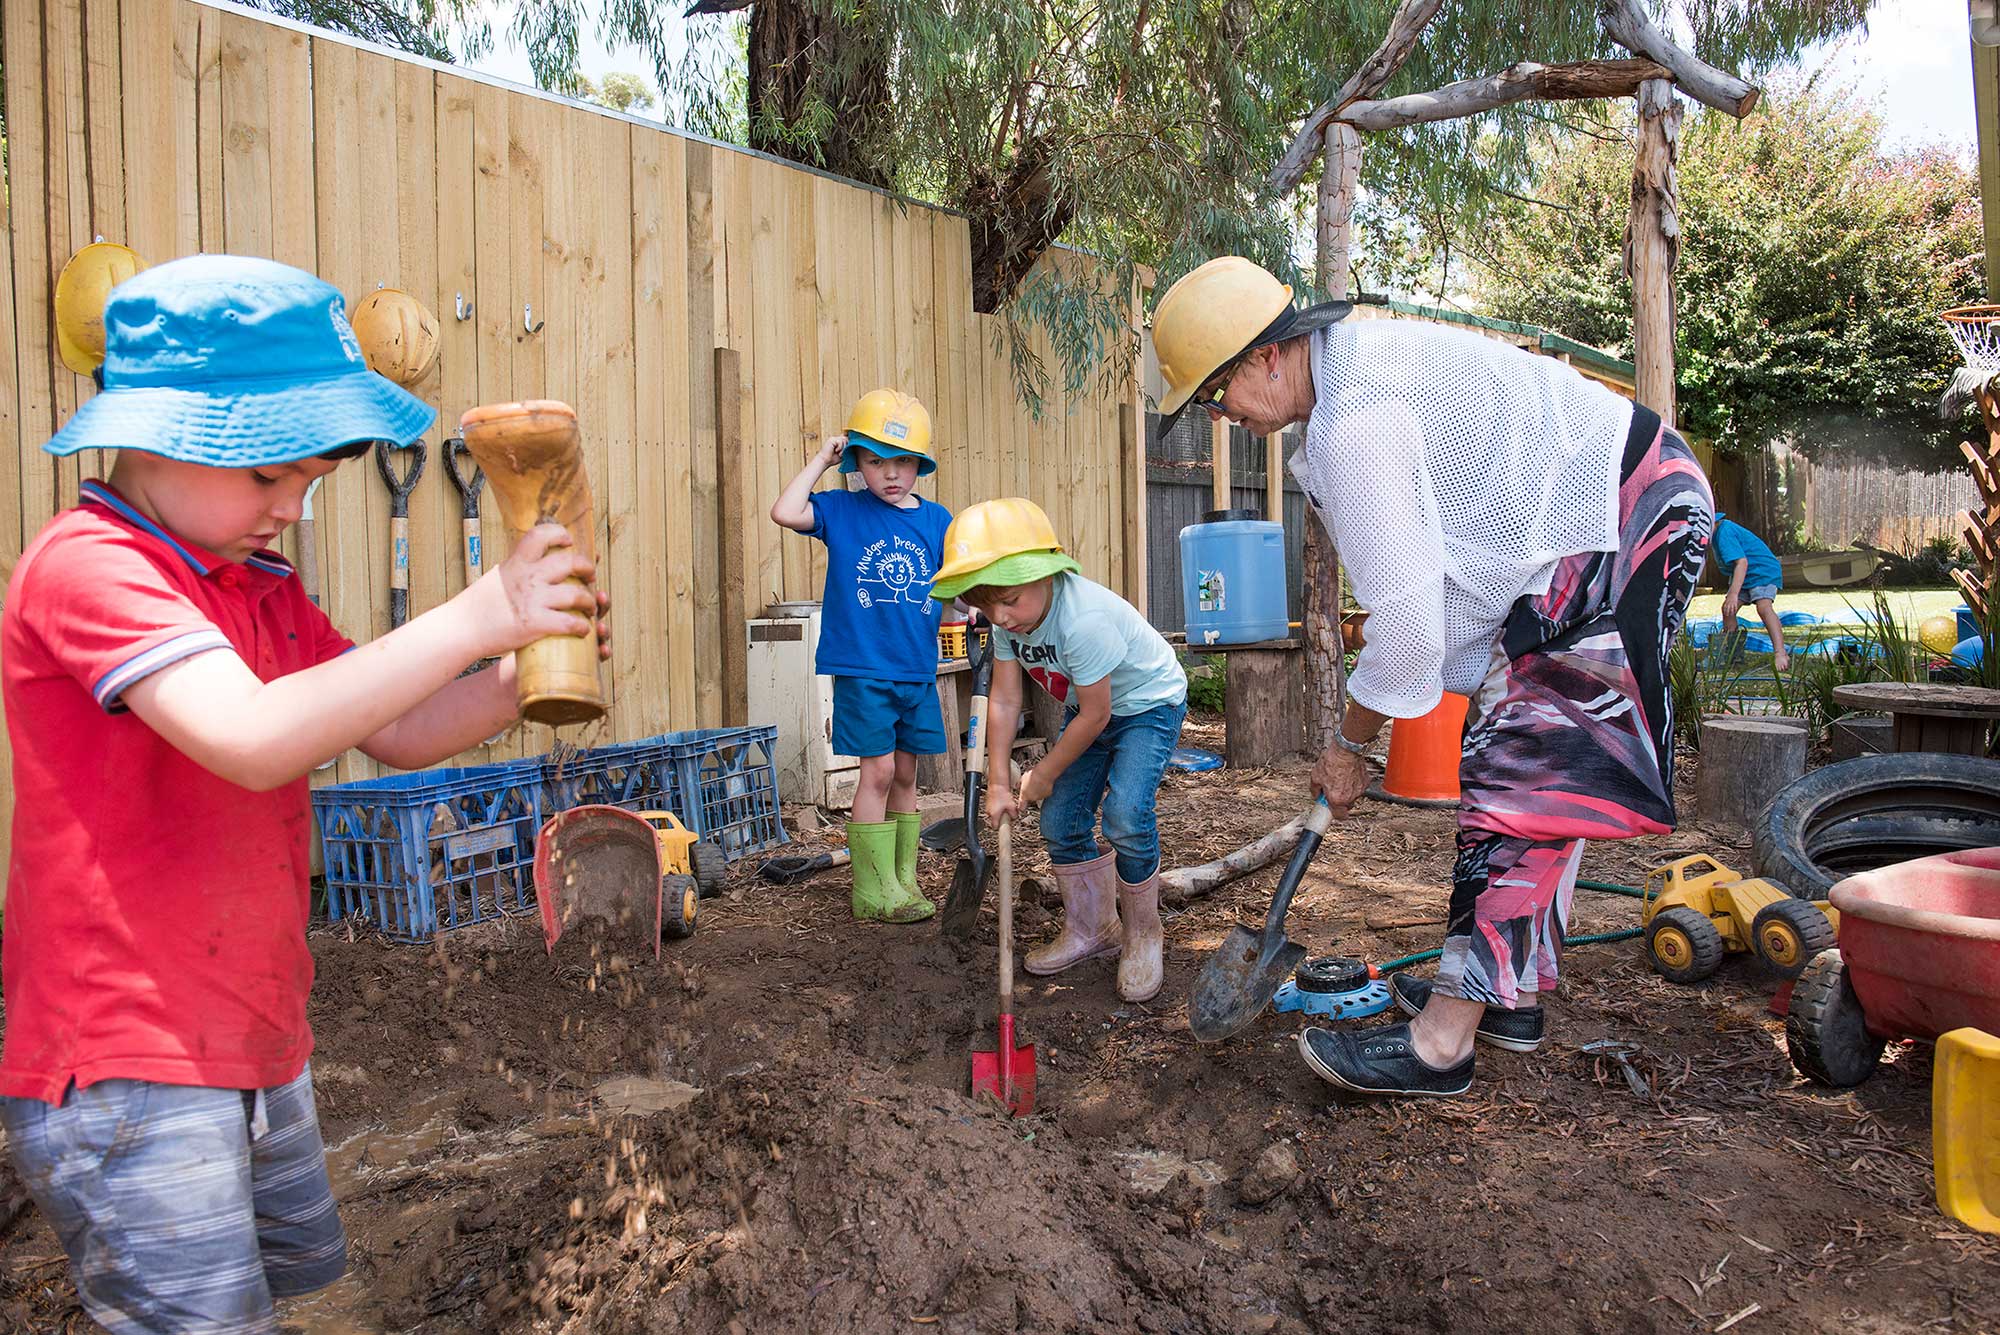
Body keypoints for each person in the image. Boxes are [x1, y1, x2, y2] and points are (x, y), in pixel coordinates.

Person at [0, 254, 610, 1329]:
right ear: (152, 433)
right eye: (265, 474)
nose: (291, 505)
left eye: (312, 479)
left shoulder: (255, 584)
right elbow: (251, 738)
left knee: (258, 1309)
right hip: (131, 1063)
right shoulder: (91, 568)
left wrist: (516, 676)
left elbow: (400, 728)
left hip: (249, 1035)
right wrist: (475, 615)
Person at [1151, 256, 1713, 1097]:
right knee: (1517, 744)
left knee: (1521, 762)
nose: (1220, 415)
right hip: (1613, 504)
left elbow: (1410, 637)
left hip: (1624, 508)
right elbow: (1427, 610)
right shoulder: (1347, 386)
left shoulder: (1355, 423)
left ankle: (1444, 1039)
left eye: (1213, 392)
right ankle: (1506, 995)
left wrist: (1347, 746)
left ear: (1266, 356)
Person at [929, 499, 1188, 1002]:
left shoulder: (1082, 620)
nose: (1003, 615)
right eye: (989, 604)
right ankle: (1093, 929)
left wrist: (1043, 773)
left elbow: (1096, 715)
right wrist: (999, 779)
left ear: (1047, 574)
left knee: (1126, 817)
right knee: (1060, 822)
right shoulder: (1007, 623)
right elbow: (1004, 699)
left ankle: (1142, 932)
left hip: (1147, 706)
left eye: (1011, 599)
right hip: (1093, 709)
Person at [771, 389, 952, 923]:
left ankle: (902, 879)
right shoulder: (843, 509)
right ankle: (871, 889)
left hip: (917, 668)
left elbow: (955, 588)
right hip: (863, 668)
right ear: (857, 464)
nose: (889, 473)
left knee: (905, 775)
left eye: (901, 461)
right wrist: (823, 461)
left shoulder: (937, 519)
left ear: (918, 463)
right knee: (875, 772)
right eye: (874, 461)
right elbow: (785, 511)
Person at [1711, 511, 1789, 671]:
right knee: (1728, 610)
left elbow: (1742, 562)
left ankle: (1780, 653)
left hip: (1762, 570)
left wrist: (1733, 594)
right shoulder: (1716, 533)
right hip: (1744, 574)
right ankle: (1731, 655)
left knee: (1763, 607)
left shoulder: (1723, 532)